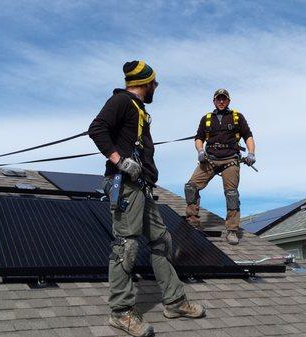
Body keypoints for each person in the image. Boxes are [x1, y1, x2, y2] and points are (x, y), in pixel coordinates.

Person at [88, 60, 205, 337]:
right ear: (145, 82)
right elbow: (97, 129)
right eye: (154, 82)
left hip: (141, 186)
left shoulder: (137, 108)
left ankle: (174, 302)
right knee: (126, 246)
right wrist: (119, 161)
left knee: (161, 240)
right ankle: (121, 313)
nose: (157, 86)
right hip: (126, 185)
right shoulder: (121, 101)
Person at [184, 89, 255, 245]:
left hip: (230, 159)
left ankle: (232, 230)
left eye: (224, 99)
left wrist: (251, 153)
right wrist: (200, 151)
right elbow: (199, 138)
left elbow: (248, 135)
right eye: (218, 99)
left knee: (231, 194)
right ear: (214, 101)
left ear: (228, 101)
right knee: (190, 186)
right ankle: (193, 222)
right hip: (210, 159)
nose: (221, 101)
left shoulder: (237, 117)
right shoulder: (207, 119)